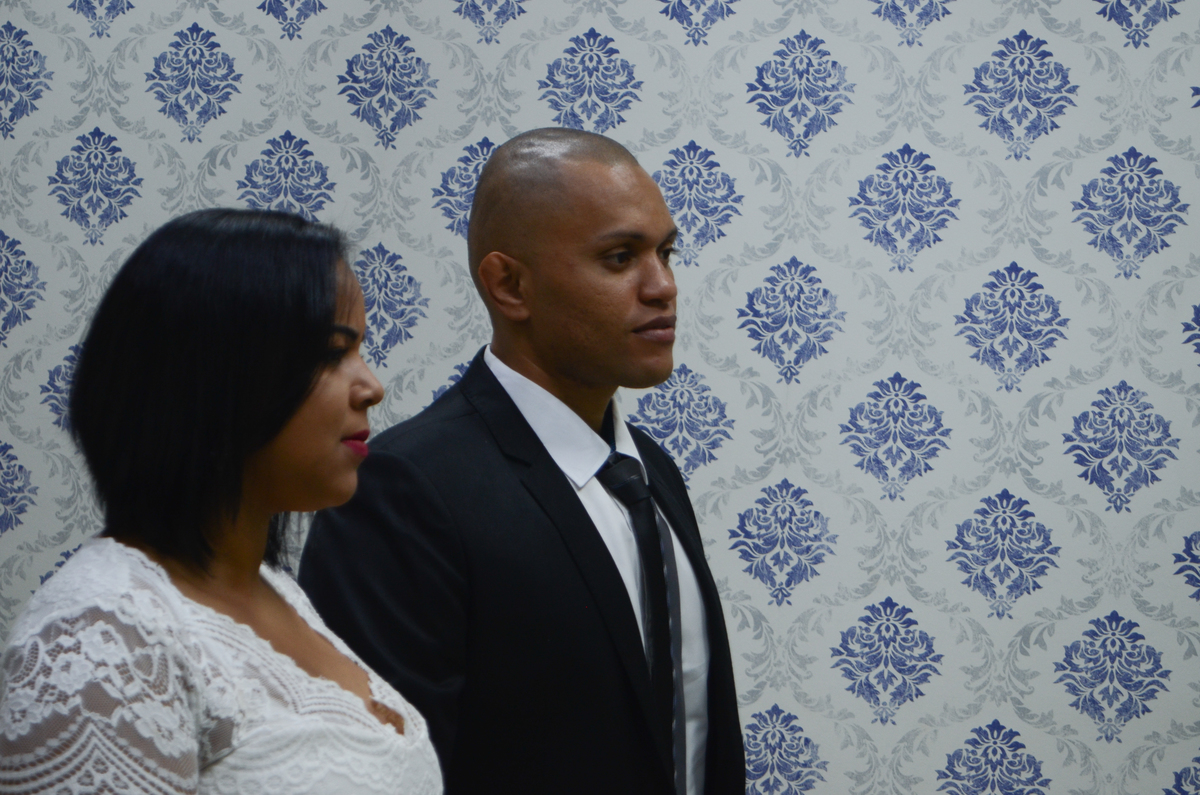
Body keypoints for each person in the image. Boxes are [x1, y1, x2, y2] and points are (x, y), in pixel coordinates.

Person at [299, 128, 745, 795]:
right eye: (620, 257)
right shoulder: (402, 490)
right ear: (509, 285)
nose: (663, 286)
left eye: (666, 252)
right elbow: (381, 771)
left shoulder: (650, 472)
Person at [0, 209, 442, 794]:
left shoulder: (276, 591)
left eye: (359, 349)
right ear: (216, 377)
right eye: (333, 353)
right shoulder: (99, 639)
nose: (371, 387)